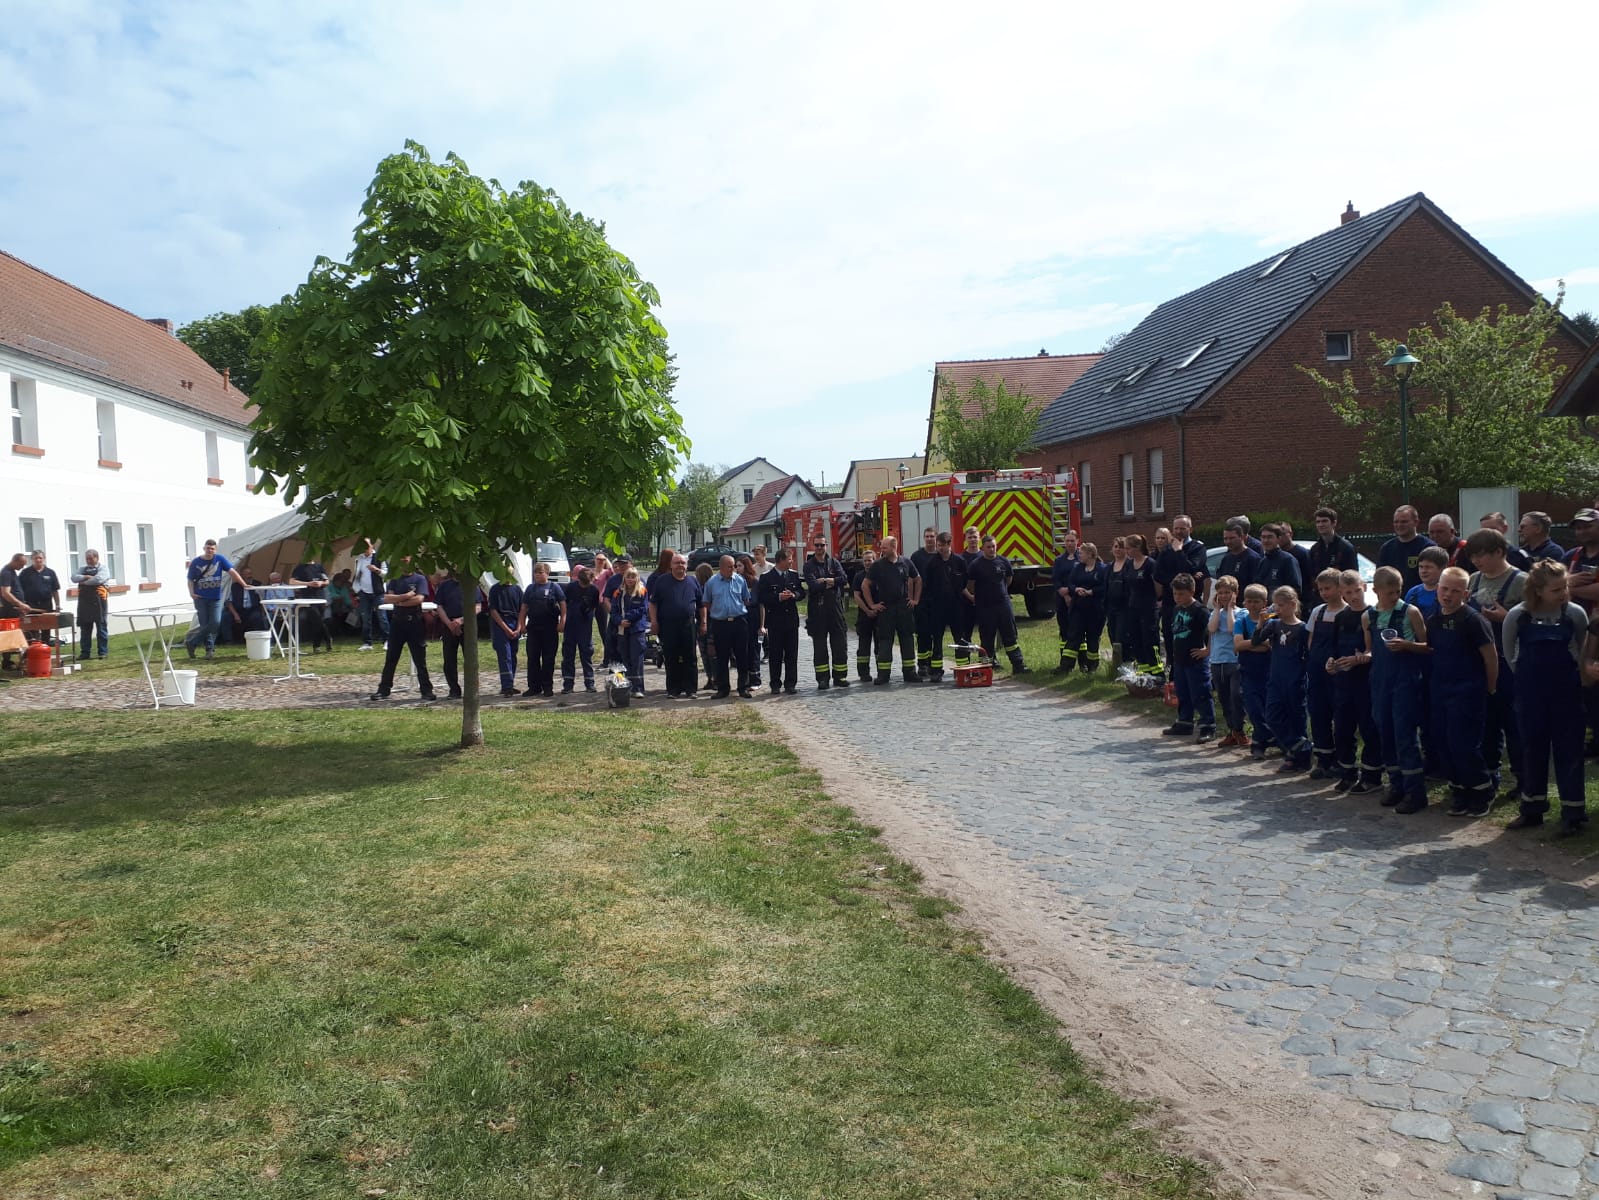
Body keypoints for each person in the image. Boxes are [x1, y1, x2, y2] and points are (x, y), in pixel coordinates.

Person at [1504, 561, 1589, 835]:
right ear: (1538, 590)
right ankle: (1532, 809)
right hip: (1531, 694)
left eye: (1565, 586)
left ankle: (1573, 814)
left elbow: (1583, 651)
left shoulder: (1574, 614)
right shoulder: (1518, 616)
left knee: (1569, 752)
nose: (1563, 592)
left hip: (1566, 694)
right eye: (1556, 589)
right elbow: (1509, 656)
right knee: (1532, 749)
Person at [1417, 566, 1498, 817]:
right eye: (1444, 588)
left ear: (1465, 593)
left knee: (1463, 744)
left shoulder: (1473, 620)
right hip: (1440, 690)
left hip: (1468, 691)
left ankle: (1482, 790)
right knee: (1442, 742)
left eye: (1454, 590)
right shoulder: (1433, 620)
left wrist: (1490, 687)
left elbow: (1490, 656)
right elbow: (1431, 651)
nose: (1447, 594)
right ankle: (1459, 789)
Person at [1464, 528, 1525, 802]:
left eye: (1482, 555)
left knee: (1514, 725)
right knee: (1485, 723)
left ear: (1499, 552)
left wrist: (1508, 616)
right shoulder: (1474, 580)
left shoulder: (1521, 581)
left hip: (1510, 662)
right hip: (1479, 662)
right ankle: (1489, 775)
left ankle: (1524, 781)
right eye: (1473, 556)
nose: (1477, 561)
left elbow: (1538, 619)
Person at [1366, 565, 1430, 812]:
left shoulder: (1410, 612)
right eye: (1389, 593)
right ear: (1376, 591)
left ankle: (1415, 791)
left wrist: (1408, 645)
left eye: (1398, 591)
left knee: (1404, 734)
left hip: (1406, 680)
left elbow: (1427, 645)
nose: (1394, 597)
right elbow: (1371, 649)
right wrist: (1361, 656)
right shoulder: (1369, 616)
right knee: (1387, 733)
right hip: (1380, 681)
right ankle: (1396, 785)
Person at [1327, 569, 1383, 793]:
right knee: (1342, 729)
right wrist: (1330, 662)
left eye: (1357, 590)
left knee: (1369, 729)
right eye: (1348, 592)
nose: (1354, 596)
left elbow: (1376, 650)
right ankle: (1348, 773)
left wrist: (1362, 659)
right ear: (1342, 593)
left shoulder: (1373, 615)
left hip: (1366, 682)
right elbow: (1333, 647)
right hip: (1343, 682)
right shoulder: (1341, 617)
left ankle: (1372, 776)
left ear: (1365, 588)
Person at [1254, 584, 1313, 772]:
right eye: (1275, 605)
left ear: (1293, 604)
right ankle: (1302, 746)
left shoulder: (1303, 629)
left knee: (1296, 718)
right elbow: (1256, 641)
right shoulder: (1274, 625)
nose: (1277, 609)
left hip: (1295, 680)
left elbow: (1308, 654)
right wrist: (1261, 623)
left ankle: (1296, 759)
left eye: (1281, 605)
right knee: (1272, 716)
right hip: (1276, 679)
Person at [369, 558, 436, 702]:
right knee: (391, 658)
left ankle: (426, 690)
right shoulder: (394, 578)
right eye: (402, 561)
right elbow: (386, 598)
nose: (405, 564)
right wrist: (405, 596)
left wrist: (398, 601)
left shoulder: (420, 579)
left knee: (420, 659)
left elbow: (419, 599)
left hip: (414, 622)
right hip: (397, 622)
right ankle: (384, 689)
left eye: (407, 561)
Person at [1161, 574, 1215, 742]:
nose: (1178, 597)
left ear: (1192, 591)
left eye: (1181, 594)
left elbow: (1212, 630)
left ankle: (1207, 726)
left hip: (1196, 660)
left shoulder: (1200, 611)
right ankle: (1185, 722)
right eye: (1175, 594)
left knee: (1200, 693)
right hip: (1180, 659)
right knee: (1182, 692)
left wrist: (1207, 650)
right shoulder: (1177, 609)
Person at [1563, 508, 1599, 756]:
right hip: (1577, 626)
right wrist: (1568, 584)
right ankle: (1591, 738)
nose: (1582, 531)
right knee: (1585, 685)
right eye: (1578, 527)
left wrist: (1568, 585)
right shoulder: (1571, 555)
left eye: (1587, 525)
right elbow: (1546, 585)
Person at [862, 535, 921, 684]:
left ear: (894, 547)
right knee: (885, 643)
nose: (881, 550)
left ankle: (910, 673)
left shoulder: (906, 562)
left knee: (907, 640)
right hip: (886, 609)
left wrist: (915, 599)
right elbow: (865, 585)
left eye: (884, 547)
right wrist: (872, 605)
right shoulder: (878, 565)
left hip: (904, 607)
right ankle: (883, 674)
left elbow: (918, 579)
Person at [1304, 569, 1344, 779]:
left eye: (1328, 588)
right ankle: (1322, 758)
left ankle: (1341, 759)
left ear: (1340, 588)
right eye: (1321, 589)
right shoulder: (1317, 611)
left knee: (1340, 717)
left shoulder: (1346, 613)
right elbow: (1311, 639)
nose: (1324, 593)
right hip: (1317, 671)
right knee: (1318, 715)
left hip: (1338, 675)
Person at [967, 534, 1026, 674]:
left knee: (1010, 635)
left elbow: (1008, 580)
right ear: (983, 548)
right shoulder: (976, 565)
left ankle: (1018, 664)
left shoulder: (1003, 561)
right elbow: (970, 585)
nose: (992, 549)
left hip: (1003, 604)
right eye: (988, 547)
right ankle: (987, 665)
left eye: (993, 546)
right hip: (985, 606)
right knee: (987, 636)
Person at [650, 553, 705, 698]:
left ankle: (691, 689)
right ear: (671, 565)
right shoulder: (662, 581)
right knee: (671, 657)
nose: (680, 565)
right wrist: (654, 622)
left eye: (682, 563)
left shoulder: (693, 581)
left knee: (690, 657)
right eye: (677, 563)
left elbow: (701, 605)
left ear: (687, 565)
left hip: (688, 624)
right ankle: (673, 689)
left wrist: (703, 622)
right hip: (668, 625)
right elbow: (653, 603)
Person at [183, 539, 247, 660]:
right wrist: (191, 593)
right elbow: (190, 580)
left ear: (215, 550)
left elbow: (232, 572)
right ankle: (209, 650)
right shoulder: (196, 562)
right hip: (200, 598)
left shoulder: (220, 559)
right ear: (204, 548)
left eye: (212, 549)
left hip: (215, 597)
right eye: (208, 548)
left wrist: (244, 584)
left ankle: (192, 642)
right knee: (204, 624)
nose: (210, 551)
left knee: (215, 622)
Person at [917, 530, 967, 682]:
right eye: (938, 545)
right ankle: (936, 670)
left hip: (956, 606)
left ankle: (962, 668)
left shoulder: (959, 561)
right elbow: (928, 584)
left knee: (960, 637)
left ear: (948, 545)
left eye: (941, 545)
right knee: (937, 639)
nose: (939, 548)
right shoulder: (932, 563)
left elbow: (965, 582)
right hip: (938, 607)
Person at [802, 538, 850, 689]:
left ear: (826, 546)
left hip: (835, 610)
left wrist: (827, 580)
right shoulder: (808, 566)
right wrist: (829, 583)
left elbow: (844, 579)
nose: (819, 548)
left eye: (822, 545)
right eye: (817, 545)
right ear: (813, 547)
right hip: (818, 612)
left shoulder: (834, 563)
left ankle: (840, 677)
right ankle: (823, 679)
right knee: (820, 648)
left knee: (840, 646)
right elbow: (813, 586)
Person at [704, 554, 753, 698]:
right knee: (722, 657)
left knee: (742, 656)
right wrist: (719, 611)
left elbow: (746, 599)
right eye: (730, 566)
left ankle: (743, 687)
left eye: (734, 566)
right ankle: (723, 688)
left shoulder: (740, 580)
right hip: (721, 624)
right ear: (721, 567)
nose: (733, 569)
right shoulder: (712, 582)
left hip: (739, 622)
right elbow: (707, 602)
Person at [758, 547, 806, 694]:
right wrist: (778, 597)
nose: (792, 562)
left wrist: (794, 595)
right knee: (776, 655)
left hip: (791, 621)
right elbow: (762, 598)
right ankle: (775, 684)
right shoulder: (767, 577)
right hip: (775, 622)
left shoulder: (793, 575)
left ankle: (790, 683)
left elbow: (802, 592)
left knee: (792, 654)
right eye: (790, 559)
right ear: (781, 560)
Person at [1234, 583, 1273, 759]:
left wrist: (1249, 644)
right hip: (1247, 670)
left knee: (1267, 708)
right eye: (1249, 601)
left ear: (1264, 602)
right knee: (1253, 709)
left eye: (1256, 601)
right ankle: (1266, 739)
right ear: (1244, 602)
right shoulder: (1241, 621)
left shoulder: (1270, 622)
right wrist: (1256, 643)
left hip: (1267, 670)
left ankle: (1261, 742)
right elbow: (1238, 645)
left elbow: (1268, 647)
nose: (1253, 605)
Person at [1208, 576, 1246, 747]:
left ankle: (1239, 729)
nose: (1223, 596)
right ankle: (1232, 730)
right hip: (1217, 661)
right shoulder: (1214, 613)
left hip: (1234, 661)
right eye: (1220, 593)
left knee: (1236, 695)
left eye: (1227, 593)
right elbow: (1212, 628)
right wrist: (1217, 609)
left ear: (1235, 594)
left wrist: (1230, 609)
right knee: (1224, 698)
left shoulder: (1242, 613)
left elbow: (1232, 629)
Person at [520, 561, 566, 698]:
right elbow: (524, 608)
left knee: (548, 658)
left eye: (541, 572)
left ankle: (547, 686)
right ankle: (534, 687)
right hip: (534, 628)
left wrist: (562, 621)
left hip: (550, 628)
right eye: (536, 572)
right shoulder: (530, 589)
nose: (538, 575)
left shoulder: (554, 587)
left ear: (547, 573)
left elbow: (563, 605)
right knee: (532, 658)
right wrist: (522, 624)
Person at [1061, 541, 1108, 674]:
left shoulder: (1102, 569)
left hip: (1095, 610)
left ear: (1090, 554)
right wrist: (1076, 589)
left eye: (1081, 553)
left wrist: (1091, 592)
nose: (1079, 555)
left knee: (1093, 638)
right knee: (1073, 636)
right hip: (1078, 609)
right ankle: (1066, 667)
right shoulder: (1077, 568)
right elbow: (1070, 583)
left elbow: (1105, 587)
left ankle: (1092, 666)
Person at [1124, 534, 1161, 678]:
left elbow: (1158, 587)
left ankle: (1157, 673)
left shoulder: (1150, 564)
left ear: (1137, 547)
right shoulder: (1129, 564)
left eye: (1128, 548)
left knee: (1149, 640)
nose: (1126, 551)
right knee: (1136, 640)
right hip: (1133, 607)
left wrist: (1156, 600)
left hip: (1148, 607)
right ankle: (1144, 672)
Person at [1377, 506, 1435, 594]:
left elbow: (1435, 578)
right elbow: (1381, 577)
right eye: (1396, 522)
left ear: (1416, 522)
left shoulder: (1428, 547)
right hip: (1394, 601)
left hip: (1420, 600)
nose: (1399, 525)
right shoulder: (1387, 548)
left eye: (1404, 522)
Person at [561, 565, 600, 693]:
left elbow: (594, 607)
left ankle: (589, 683)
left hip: (585, 626)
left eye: (587, 584)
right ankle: (568, 684)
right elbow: (563, 604)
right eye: (583, 584)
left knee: (586, 654)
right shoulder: (570, 587)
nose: (584, 586)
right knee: (568, 655)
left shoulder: (594, 590)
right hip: (571, 625)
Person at [71, 548, 114, 659]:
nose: (88, 561)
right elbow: (73, 578)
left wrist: (83, 582)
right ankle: (85, 653)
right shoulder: (82, 569)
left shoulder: (103, 569)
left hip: (99, 602)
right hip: (84, 603)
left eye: (90, 558)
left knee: (101, 628)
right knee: (85, 629)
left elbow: (99, 580)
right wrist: (86, 576)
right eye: (87, 559)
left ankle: (102, 652)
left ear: (96, 558)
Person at [487, 570, 524, 696]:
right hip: (501, 624)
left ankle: (510, 683)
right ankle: (506, 686)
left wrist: (518, 628)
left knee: (513, 656)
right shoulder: (495, 589)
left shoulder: (517, 590)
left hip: (515, 622)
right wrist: (506, 629)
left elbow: (522, 610)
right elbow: (493, 611)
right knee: (505, 656)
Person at [912, 527, 943, 679]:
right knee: (922, 634)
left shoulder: (941, 556)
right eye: (927, 536)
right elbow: (911, 579)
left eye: (932, 536)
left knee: (937, 635)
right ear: (924, 538)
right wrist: (912, 600)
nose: (929, 539)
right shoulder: (917, 557)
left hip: (938, 602)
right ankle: (922, 664)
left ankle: (935, 666)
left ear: (936, 539)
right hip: (922, 601)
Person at [1049, 528, 1081, 674]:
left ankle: (1083, 663)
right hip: (1062, 601)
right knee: (1064, 632)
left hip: (1078, 600)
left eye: (1072, 541)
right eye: (1067, 541)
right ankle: (1065, 664)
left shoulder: (1082, 558)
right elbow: (1056, 579)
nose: (1069, 543)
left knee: (1078, 632)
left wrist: (1070, 591)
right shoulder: (1059, 560)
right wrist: (1063, 593)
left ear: (1077, 542)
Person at [616, 567, 650, 696]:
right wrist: (619, 620)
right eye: (628, 577)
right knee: (625, 658)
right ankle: (627, 686)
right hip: (622, 629)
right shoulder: (618, 592)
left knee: (637, 659)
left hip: (637, 629)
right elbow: (614, 610)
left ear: (637, 578)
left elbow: (643, 608)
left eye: (633, 577)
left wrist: (627, 617)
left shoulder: (642, 591)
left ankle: (638, 688)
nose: (630, 579)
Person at [1212, 520, 1261, 604]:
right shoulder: (1226, 558)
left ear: (1242, 537)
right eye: (1225, 539)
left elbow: (1256, 586)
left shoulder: (1253, 558)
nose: (1228, 541)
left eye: (1232, 538)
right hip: (1227, 607)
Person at [1255, 525, 1302, 610]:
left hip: (1283, 611)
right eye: (1263, 537)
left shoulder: (1288, 560)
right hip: (1264, 611)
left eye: (1270, 537)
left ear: (1278, 539)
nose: (1266, 540)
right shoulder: (1263, 561)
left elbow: (1295, 589)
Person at [292, 558, 333, 653]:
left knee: (319, 621)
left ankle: (317, 645)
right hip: (308, 597)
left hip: (320, 596)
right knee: (317, 619)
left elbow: (326, 581)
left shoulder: (319, 566)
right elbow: (292, 581)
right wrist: (308, 583)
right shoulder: (300, 567)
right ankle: (327, 638)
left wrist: (321, 583)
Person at [353, 538, 388, 650]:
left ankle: (387, 640)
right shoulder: (359, 559)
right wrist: (357, 589)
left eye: (366, 545)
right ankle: (367, 643)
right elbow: (357, 575)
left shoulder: (380, 557)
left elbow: (387, 574)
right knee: (366, 618)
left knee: (382, 617)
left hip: (378, 593)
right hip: (364, 593)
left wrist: (376, 570)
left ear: (372, 546)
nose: (364, 548)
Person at [1306, 507, 1358, 580]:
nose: (1320, 525)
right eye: (1318, 522)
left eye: (1324, 521)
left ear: (1334, 523)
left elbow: (1353, 576)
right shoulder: (1315, 549)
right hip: (1320, 590)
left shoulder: (1346, 548)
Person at [851, 548, 879, 683]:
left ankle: (882, 672)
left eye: (870, 560)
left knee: (880, 646)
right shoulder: (859, 576)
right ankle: (863, 673)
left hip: (880, 615)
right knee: (863, 647)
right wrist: (868, 610)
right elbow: (856, 596)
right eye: (865, 561)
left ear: (875, 560)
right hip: (864, 616)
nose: (868, 563)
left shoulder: (881, 575)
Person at [1105, 537, 1132, 666]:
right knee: (1112, 634)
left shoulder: (1130, 565)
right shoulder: (1109, 567)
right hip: (1111, 608)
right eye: (1115, 546)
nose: (1118, 549)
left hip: (1125, 608)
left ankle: (1127, 664)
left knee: (1122, 637)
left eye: (1121, 547)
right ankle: (1117, 666)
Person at [738, 555, 764, 687]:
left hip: (753, 618)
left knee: (754, 649)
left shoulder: (755, 582)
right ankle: (744, 679)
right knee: (742, 649)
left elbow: (759, 603)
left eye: (740, 566)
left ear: (746, 566)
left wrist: (763, 625)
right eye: (736, 566)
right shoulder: (736, 581)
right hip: (740, 619)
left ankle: (755, 679)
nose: (737, 569)